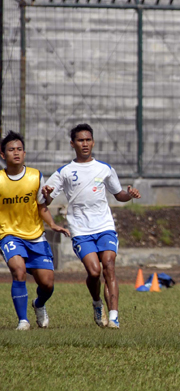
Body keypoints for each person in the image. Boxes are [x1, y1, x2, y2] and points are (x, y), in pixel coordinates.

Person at [43, 124, 141, 329]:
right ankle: (97, 302)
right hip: (80, 230)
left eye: (88, 140)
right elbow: (46, 200)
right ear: (73, 143)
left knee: (109, 266)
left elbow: (119, 195)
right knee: (94, 272)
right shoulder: (65, 172)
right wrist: (45, 194)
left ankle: (114, 316)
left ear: (93, 142)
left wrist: (129, 194)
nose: (85, 144)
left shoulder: (104, 169)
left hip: (104, 226)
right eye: (80, 140)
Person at [0, 131, 70, 330]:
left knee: (47, 283)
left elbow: (42, 205)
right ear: (3, 155)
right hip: (8, 234)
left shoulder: (35, 176)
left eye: (20, 149)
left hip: (36, 236)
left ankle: (38, 304)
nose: (16, 153)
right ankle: (23, 320)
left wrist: (53, 224)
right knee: (18, 271)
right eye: (11, 149)